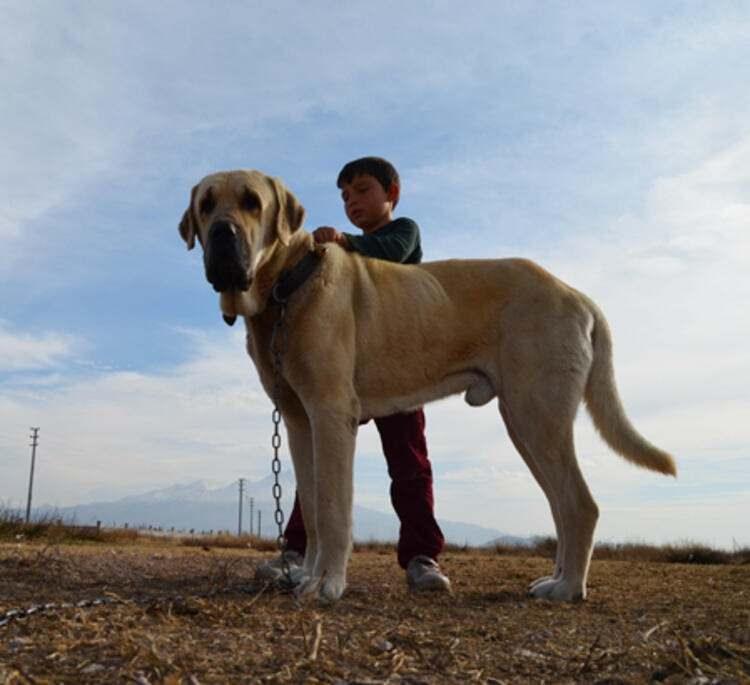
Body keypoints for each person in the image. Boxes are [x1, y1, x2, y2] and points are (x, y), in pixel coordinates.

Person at [256, 156, 450, 592]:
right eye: (345, 196)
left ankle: (422, 557)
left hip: (399, 368)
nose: (352, 201)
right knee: (323, 456)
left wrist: (342, 242)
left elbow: (390, 253)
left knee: (409, 464)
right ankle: (299, 548)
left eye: (363, 190)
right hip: (345, 364)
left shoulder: (402, 233)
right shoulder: (344, 257)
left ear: (392, 193)